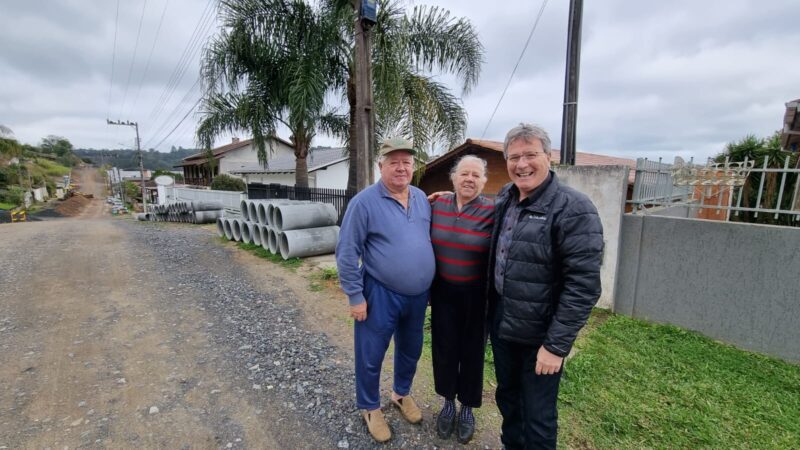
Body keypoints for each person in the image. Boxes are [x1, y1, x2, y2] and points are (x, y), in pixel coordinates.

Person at [489, 123, 603, 449]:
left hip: (541, 335)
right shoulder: (505, 198)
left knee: (538, 415)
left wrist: (555, 346)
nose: (521, 164)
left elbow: (583, 285)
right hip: (503, 325)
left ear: (548, 157)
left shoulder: (573, 208)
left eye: (530, 155)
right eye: (514, 157)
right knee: (508, 400)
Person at [335, 137, 436, 443]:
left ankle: (401, 393)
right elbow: (346, 252)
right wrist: (355, 296)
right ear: (381, 166)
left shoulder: (420, 197)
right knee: (371, 354)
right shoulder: (364, 202)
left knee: (411, 349)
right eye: (394, 162)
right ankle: (369, 407)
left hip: (418, 296)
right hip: (379, 292)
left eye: (407, 162)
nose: (401, 167)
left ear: (413, 166)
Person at [429, 155, 494, 444]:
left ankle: (467, 407)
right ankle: (447, 403)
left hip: (476, 296)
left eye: (476, 175)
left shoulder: (494, 210)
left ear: (484, 181)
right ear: (453, 178)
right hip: (442, 292)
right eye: (464, 173)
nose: (470, 179)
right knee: (444, 349)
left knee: (471, 352)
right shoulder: (436, 205)